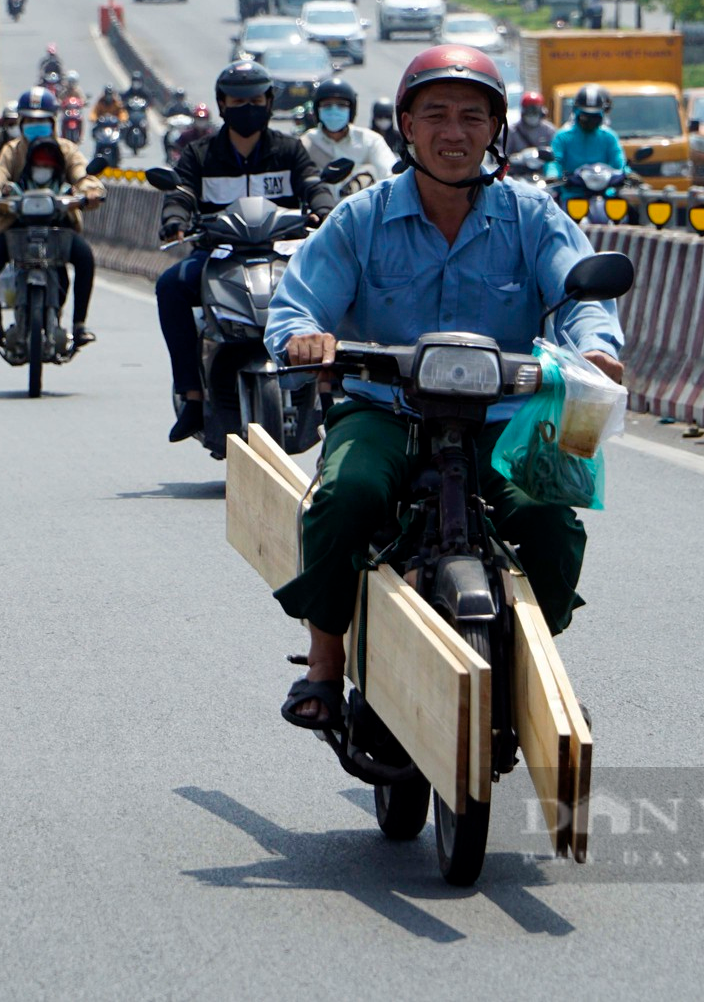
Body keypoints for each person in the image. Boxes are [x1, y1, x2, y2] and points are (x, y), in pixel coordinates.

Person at [264, 45, 626, 728]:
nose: (453, 132)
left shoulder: (532, 214)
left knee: (550, 521)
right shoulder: (361, 217)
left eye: (471, 116)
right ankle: (324, 662)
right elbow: (298, 301)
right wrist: (305, 336)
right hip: (385, 407)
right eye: (435, 114)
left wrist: (596, 348)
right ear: (405, 123)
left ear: (497, 129)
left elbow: (580, 292)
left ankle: (533, 666)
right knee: (346, 495)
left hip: (503, 417)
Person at [154, 61, 336, 444]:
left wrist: (324, 209)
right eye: (239, 101)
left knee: (336, 285)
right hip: (218, 256)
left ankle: (329, 393)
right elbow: (182, 193)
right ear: (222, 104)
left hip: (282, 255)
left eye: (256, 99)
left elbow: (313, 185)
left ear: (269, 102)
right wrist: (175, 219)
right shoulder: (200, 154)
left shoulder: (289, 150)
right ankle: (191, 396)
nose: (248, 107)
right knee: (170, 285)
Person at [0, 92, 104, 347]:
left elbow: (82, 173)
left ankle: (79, 325)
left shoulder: (66, 149)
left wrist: (90, 191)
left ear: (53, 122)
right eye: (30, 120)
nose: (36, 125)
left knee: (85, 257)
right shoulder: (12, 150)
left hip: (59, 223)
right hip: (18, 224)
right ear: (21, 123)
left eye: (42, 120)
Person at [299, 76, 396, 198]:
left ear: (352, 109)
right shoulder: (306, 143)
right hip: (318, 212)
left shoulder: (370, 141)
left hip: (362, 213)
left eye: (341, 105)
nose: (334, 110)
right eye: (327, 105)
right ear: (317, 110)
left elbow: (390, 174)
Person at [549, 83, 626, 203]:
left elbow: (619, 163)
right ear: (576, 112)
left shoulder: (609, 137)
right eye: (585, 116)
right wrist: (552, 175)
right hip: (571, 196)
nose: (590, 120)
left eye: (595, 116)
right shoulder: (563, 137)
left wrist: (628, 174)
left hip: (606, 196)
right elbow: (554, 161)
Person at [504, 90, 556, 157]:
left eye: (535, 111)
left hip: (543, 166)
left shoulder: (549, 130)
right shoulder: (512, 131)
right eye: (529, 111)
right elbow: (503, 155)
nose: (532, 116)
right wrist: (519, 158)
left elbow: (555, 154)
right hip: (517, 166)